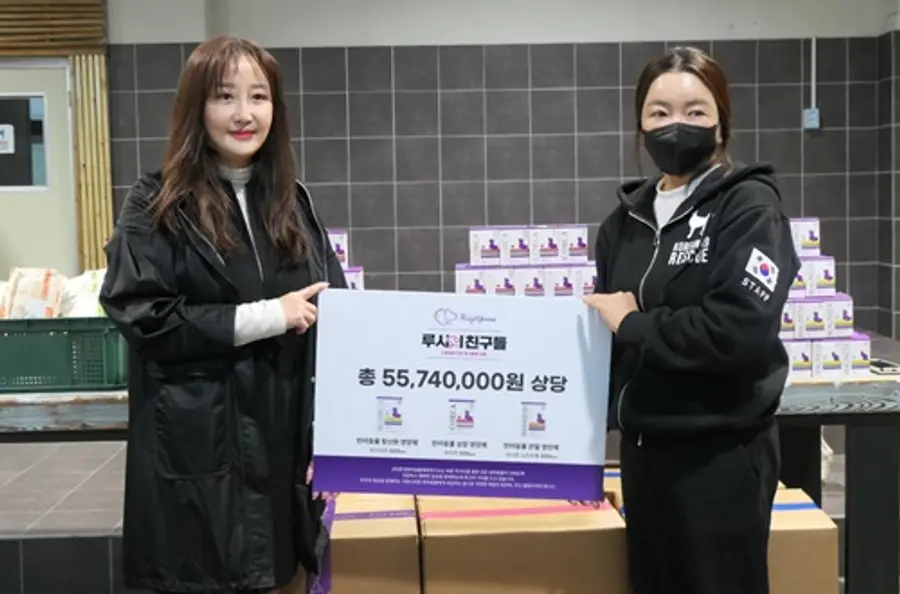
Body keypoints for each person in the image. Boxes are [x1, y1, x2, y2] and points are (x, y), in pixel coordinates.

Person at [99, 36, 346, 594]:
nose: (243, 114)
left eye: (258, 97)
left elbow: (335, 309)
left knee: (282, 573)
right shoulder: (155, 203)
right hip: (198, 455)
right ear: (196, 107)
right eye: (224, 96)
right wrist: (268, 316)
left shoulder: (292, 202)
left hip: (280, 448)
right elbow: (143, 314)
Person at [584, 46, 799, 594]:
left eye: (695, 111)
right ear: (640, 124)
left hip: (720, 452)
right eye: (658, 112)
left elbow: (737, 331)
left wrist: (635, 324)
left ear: (721, 122)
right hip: (643, 453)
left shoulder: (748, 208)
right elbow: (609, 341)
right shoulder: (621, 226)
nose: (674, 125)